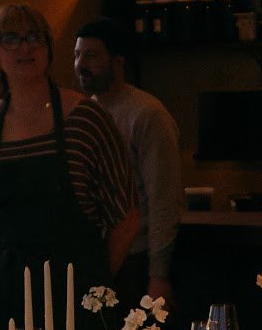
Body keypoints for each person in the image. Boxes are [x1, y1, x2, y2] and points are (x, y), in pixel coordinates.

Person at [0, 3, 140, 330]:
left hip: (74, 301)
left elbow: (126, 218)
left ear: (49, 49)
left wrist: (92, 284)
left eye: (35, 37)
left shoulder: (86, 119)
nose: (25, 47)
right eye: (11, 39)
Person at [71, 18, 181, 307]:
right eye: (77, 55)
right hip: (99, 257)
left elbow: (163, 198)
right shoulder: (84, 113)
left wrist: (158, 275)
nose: (81, 64)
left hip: (137, 258)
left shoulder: (146, 114)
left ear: (117, 62)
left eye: (91, 56)